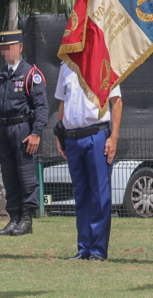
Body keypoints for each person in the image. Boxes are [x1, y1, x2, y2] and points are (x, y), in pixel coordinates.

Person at [54, 61, 123, 261]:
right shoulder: (65, 66)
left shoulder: (105, 61)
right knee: (81, 194)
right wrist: (60, 136)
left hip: (96, 134)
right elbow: (62, 102)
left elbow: (116, 101)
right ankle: (83, 247)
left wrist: (114, 137)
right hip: (72, 137)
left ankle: (98, 250)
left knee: (99, 195)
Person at [0, 30, 48, 236]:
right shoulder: (0, 75)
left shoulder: (32, 74)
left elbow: (41, 107)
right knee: (9, 177)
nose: (8, 51)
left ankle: (26, 220)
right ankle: (13, 218)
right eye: (4, 48)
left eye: (12, 47)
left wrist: (36, 132)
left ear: (20, 48)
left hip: (23, 130)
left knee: (26, 176)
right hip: (3, 130)